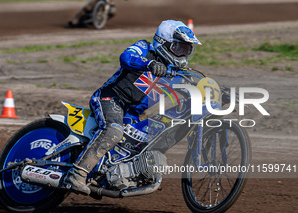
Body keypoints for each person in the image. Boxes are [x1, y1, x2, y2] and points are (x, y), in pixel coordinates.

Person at [65, 20, 201, 195]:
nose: (183, 54)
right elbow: (126, 58)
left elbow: (195, 89)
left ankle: (111, 176)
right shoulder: (144, 47)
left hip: (131, 113)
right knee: (113, 131)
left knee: (141, 145)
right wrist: (149, 64)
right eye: (179, 48)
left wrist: (221, 94)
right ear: (164, 43)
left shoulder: (176, 74)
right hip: (110, 98)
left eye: (187, 49)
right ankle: (76, 174)